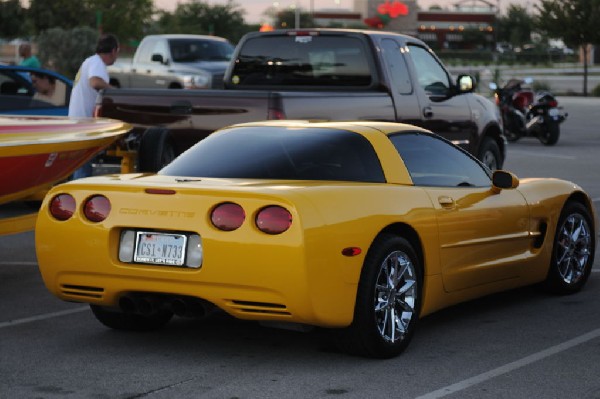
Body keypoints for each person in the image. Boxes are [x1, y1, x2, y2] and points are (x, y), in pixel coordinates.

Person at [69, 34, 119, 178]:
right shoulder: (97, 63)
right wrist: (114, 91)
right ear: (114, 50)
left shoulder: (90, 61)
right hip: (83, 124)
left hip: (78, 122)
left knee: (80, 166)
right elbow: (95, 82)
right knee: (83, 169)